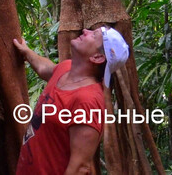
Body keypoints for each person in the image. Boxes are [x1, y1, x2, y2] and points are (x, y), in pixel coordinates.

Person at [13, 26, 130, 175]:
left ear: (97, 57)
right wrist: (27, 52)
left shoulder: (88, 101)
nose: (85, 31)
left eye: (93, 35)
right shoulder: (66, 68)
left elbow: (79, 168)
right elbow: (46, 68)